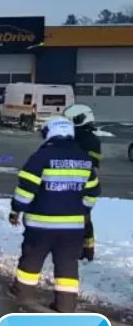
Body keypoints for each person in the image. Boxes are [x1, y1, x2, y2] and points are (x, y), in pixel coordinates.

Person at [7, 116, 100, 312]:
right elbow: (93, 193)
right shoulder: (84, 159)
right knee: (67, 265)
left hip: (41, 225)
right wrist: (81, 209)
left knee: (32, 260)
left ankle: (23, 294)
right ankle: (65, 304)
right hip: (72, 227)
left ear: (50, 132)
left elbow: (26, 190)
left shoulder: (41, 157)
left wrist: (16, 210)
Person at [64, 104, 100, 262]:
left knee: (80, 218)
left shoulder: (85, 139)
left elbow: (90, 164)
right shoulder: (88, 138)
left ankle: (84, 250)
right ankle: (86, 249)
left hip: (78, 185)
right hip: (80, 184)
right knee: (83, 218)